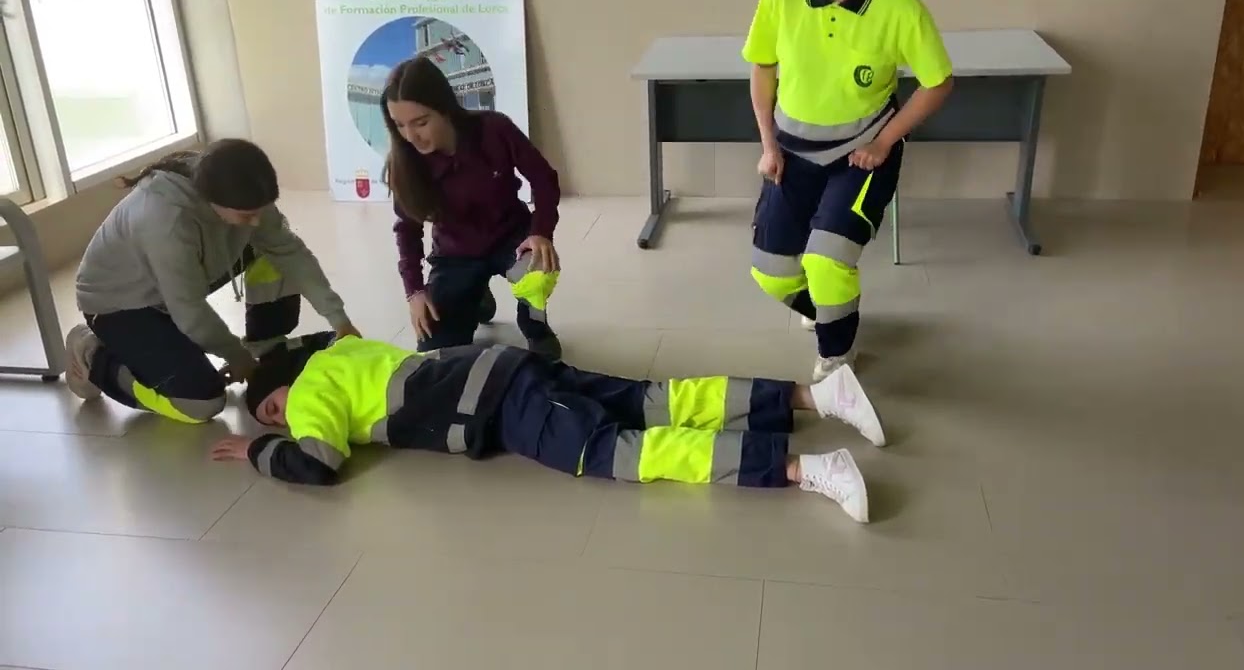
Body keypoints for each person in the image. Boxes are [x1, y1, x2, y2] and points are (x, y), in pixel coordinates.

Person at [211, 332, 887, 523]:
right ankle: (817, 396)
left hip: (499, 406)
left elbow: (320, 461)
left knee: (618, 452)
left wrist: (258, 449)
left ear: (284, 390)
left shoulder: (307, 398)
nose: (281, 417)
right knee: (652, 401)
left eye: (272, 407)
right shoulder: (338, 352)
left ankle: (805, 469)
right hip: (504, 364)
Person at [745, 0, 954, 380]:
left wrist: (884, 141)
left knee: (827, 262)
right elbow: (763, 67)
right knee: (772, 274)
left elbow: (938, 82)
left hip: (860, 154)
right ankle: (831, 312)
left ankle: (837, 355)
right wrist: (768, 145)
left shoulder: (899, 7)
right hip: (791, 152)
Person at [65, 139, 360, 424]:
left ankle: (265, 346)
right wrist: (237, 357)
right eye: (247, 215)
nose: (257, 221)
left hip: (174, 287)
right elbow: (189, 311)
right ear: (212, 201)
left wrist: (340, 320)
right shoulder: (166, 220)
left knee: (272, 249)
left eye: (261, 210)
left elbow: (290, 251)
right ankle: (93, 355)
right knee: (201, 403)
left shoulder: (240, 189)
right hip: (119, 304)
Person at [384, 55, 564, 361]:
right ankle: (476, 296)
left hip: (511, 237)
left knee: (535, 271)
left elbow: (544, 179)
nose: (411, 136)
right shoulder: (405, 162)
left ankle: (536, 328)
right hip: (455, 254)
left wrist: (541, 232)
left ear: (444, 108)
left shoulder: (494, 129)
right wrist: (414, 291)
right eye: (400, 125)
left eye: (421, 122)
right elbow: (407, 230)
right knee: (436, 352)